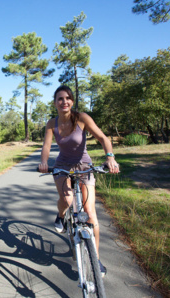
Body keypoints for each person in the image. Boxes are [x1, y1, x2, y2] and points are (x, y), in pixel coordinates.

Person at [38, 85, 120, 277]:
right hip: (62, 166)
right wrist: (43, 162)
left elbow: (102, 137)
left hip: (84, 166)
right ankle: (61, 215)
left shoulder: (82, 118)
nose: (64, 101)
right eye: (60, 98)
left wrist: (110, 157)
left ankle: (95, 259)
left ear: (72, 101)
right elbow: (46, 146)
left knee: (90, 213)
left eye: (68, 98)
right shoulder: (52, 123)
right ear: (55, 102)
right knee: (66, 200)